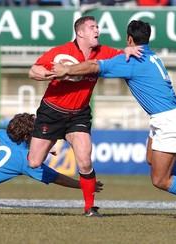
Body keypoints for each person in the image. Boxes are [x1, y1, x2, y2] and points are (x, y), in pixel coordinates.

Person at [51, 20, 176, 219]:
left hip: (168, 120)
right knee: (150, 159)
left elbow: (94, 66)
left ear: (129, 39)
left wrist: (67, 70)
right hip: (166, 116)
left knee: (160, 180)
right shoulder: (150, 55)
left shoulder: (131, 61)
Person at [27, 16, 141, 217]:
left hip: (78, 114)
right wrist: (55, 74)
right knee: (34, 162)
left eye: (97, 26)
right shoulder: (62, 52)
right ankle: (20, 144)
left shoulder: (103, 52)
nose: (97, 29)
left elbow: (121, 55)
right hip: (51, 111)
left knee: (85, 159)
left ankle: (90, 207)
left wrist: (128, 50)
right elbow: (33, 71)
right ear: (80, 33)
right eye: (92, 27)